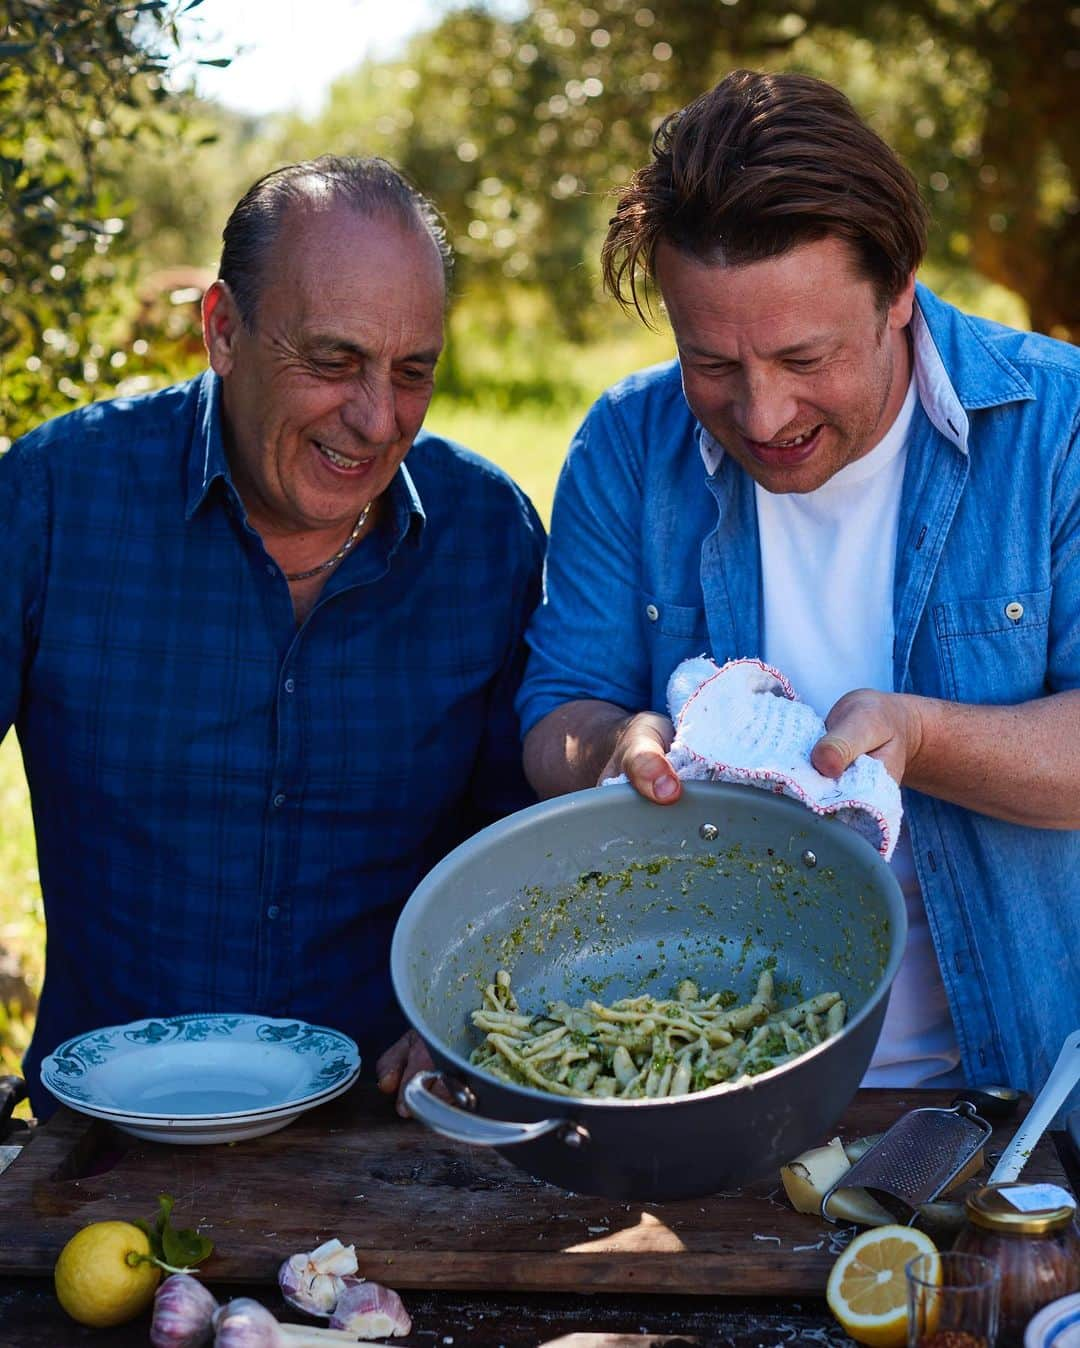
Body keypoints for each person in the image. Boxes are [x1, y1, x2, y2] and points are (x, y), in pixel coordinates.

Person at [517, 71, 1080, 1108]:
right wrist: (619, 747)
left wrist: (920, 735)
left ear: (900, 287)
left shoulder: (1057, 426)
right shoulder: (624, 446)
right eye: (711, 362)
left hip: (1023, 1095)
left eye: (802, 356)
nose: (763, 411)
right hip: (712, 1091)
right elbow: (558, 709)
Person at [0, 156, 545, 1118]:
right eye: (332, 362)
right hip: (103, 1148)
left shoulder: (488, 535)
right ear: (222, 331)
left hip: (397, 1140)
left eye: (412, 371)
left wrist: (473, 1002)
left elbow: (524, 840)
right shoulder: (53, 499)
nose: (377, 420)